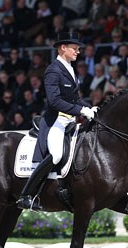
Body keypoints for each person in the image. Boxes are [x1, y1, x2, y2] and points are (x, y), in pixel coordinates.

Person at [17, 32, 98, 211]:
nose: (78, 52)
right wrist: (81, 110)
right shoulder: (53, 70)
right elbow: (54, 101)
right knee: (56, 154)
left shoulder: (69, 68)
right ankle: (27, 195)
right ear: (63, 48)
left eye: (78, 49)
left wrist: (90, 108)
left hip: (70, 120)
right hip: (56, 121)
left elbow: (74, 98)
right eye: (75, 49)